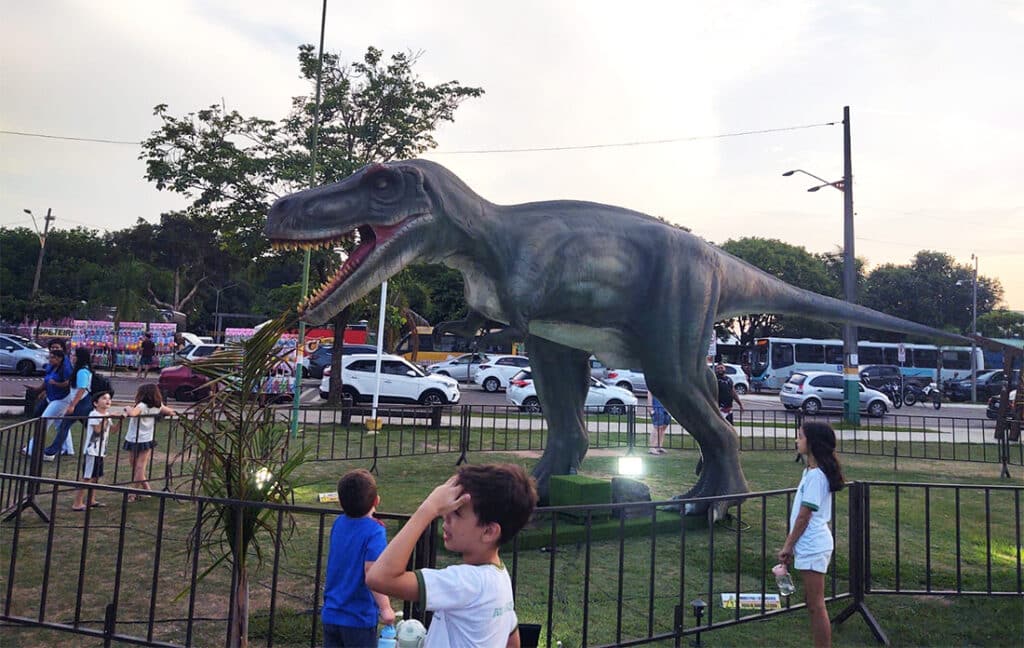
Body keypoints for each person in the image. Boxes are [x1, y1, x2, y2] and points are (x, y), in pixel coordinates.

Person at [367, 464, 538, 648]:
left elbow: (379, 577)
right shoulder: (500, 578)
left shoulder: (466, 582)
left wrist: (429, 508)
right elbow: (511, 638)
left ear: (489, 531)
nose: (445, 515)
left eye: (456, 512)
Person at [777, 422, 846, 648]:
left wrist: (788, 546)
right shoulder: (810, 471)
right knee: (812, 603)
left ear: (812, 443)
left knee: (817, 605)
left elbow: (804, 516)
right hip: (809, 544)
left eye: (800, 437)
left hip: (814, 544)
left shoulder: (816, 476)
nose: (797, 441)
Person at [322, 469, 396, 647]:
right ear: (376, 501)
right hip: (358, 620)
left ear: (340, 502)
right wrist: (385, 608)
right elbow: (372, 572)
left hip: (331, 614)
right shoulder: (374, 531)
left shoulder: (338, 523)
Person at [123, 383, 176, 500]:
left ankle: (133, 493)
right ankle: (147, 489)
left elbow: (132, 413)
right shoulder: (157, 406)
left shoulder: (142, 406)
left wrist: (127, 408)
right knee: (136, 466)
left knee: (139, 466)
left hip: (137, 438)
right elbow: (171, 412)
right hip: (143, 438)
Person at [72, 390, 121, 511]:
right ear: (95, 403)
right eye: (104, 398)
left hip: (100, 451)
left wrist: (120, 420)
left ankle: (91, 500)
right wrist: (107, 418)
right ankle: (77, 503)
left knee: (95, 477)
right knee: (87, 477)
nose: (108, 400)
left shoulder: (106, 415)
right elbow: (98, 431)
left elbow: (113, 430)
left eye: (109, 398)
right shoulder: (94, 414)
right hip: (92, 451)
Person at [44, 347, 94, 461]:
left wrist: (72, 405)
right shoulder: (82, 369)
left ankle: (51, 451)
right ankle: (55, 450)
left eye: (74, 355)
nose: (72, 357)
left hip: (81, 403)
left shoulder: (82, 371)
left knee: (64, 426)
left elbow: (82, 389)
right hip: (82, 402)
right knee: (89, 426)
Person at [23, 347, 74, 457]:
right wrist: (37, 389)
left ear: (59, 359)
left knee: (44, 421)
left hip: (61, 399)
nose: (50, 360)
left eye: (53, 358)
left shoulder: (65, 368)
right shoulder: (51, 367)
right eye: (50, 357)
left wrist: (56, 384)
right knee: (60, 424)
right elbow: (46, 381)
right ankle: (68, 449)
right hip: (52, 397)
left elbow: (68, 383)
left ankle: (31, 449)